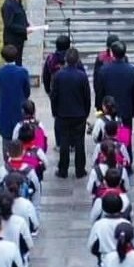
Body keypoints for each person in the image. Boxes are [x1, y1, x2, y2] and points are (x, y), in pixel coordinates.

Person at [49, 47, 92, 179]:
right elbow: (87, 97)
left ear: (66, 60)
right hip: (79, 114)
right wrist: (86, 112)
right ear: (77, 60)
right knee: (80, 142)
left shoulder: (58, 76)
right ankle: (80, 170)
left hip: (62, 114)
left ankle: (63, 170)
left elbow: (54, 96)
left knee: (64, 142)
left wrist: (55, 112)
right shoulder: (82, 76)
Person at [0, 44, 30, 148]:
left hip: (4, 110)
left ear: (3, 57)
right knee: (21, 138)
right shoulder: (23, 72)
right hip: (20, 109)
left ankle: (8, 162)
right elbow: (27, 91)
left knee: (6, 140)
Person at [1, 0, 30, 64]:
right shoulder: (8, 5)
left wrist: (27, 24)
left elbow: (20, 16)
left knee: (19, 61)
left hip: (19, 39)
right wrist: (24, 29)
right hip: (12, 40)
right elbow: (9, 24)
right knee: (14, 62)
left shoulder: (18, 1)